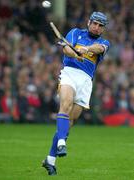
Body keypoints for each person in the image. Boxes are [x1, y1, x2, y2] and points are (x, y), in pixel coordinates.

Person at [42, 11, 110, 175]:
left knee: (70, 122)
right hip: (70, 74)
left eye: (100, 26)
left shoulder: (103, 42)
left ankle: (50, 160)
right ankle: (61, 144)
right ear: (89, 22)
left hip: (86, 81)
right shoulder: (75, 33)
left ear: (103, 29)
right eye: (94, 23)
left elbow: (99, 49)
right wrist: (76, 55)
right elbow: (66, 49)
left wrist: (85, 49)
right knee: (65, 105)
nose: (96, 27)